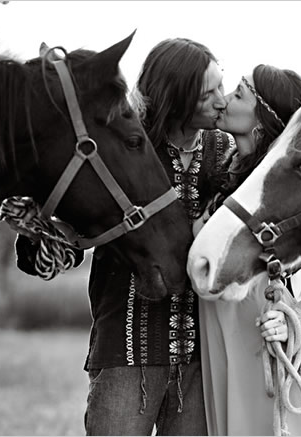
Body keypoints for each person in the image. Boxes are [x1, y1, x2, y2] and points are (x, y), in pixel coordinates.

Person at [83, 38, 232, 436]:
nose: (223, 100)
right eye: (208, 93)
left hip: (203, 360)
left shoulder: (227, 152)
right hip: (126, 352)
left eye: (223, 85)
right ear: (177, 97)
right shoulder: (127, 151)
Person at [194, 65, 301, 436]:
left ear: (261, 119)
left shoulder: (286, 195)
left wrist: (296, 320)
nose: (225, 100)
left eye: (239, 94)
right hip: (223, 346)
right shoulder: (221, 182)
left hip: (273, 353)